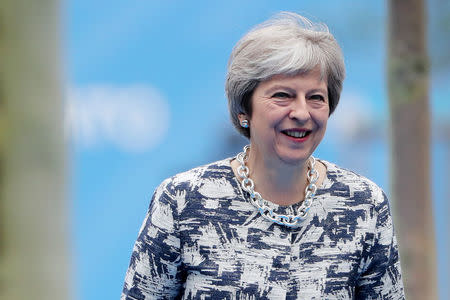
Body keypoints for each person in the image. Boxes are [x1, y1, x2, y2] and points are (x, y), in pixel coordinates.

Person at [121, 12, 405, 299]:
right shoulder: (183, 201)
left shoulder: (364, 204)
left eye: (316, 97)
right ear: (244, 110)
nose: (302, 113)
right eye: (283, 95)